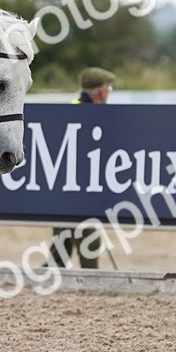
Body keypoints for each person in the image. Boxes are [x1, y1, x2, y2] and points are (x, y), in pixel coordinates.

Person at [49, 67, 115, 268]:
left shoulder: (75, 108)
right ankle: (92, 284)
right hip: (78, 192)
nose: (109, 92)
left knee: (62, 247)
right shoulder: (91, 113)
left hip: (70, 191)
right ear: (102, 91)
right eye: (109, 88)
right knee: (87, 243)